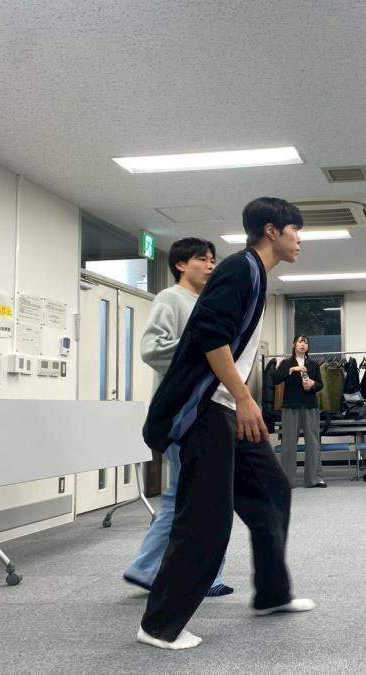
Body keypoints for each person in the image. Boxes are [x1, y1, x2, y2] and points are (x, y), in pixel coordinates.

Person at [137, 197, 314, 650]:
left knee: (272, 491)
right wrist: (243, 397)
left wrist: (242, 403)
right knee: (206, 518)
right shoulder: (239, 269)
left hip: (227, 408)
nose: (300, 239)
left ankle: (272, 594)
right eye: (295, 230)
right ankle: (159, 626)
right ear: (272, 230)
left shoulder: (255, 274)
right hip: (206, 410)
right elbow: (210, 336)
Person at [123, 238, 236, 597]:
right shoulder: (170, 298)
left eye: (213, 260)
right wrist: (205, 350)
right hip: (183, 412)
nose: (210, 265)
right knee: (199, 496)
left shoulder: (206, 303)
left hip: (208, 410)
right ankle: (194, 574)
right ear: (181, 265)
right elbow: (152, 349)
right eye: (202, 259)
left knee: (186, 495)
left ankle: (148, 568)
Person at [273, 335, 325, 488]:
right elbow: (275, 379)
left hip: (310, 406)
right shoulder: (286, 363)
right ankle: (287, 481)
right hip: (291, 407)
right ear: (294, 344)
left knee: (313, 443)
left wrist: (312, 384)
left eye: (306, 342)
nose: (303, 344)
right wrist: (291, 370)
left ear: (308, 347)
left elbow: (320, 384)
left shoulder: (314, 365)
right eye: (300, 341)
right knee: (289, 444)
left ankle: (313, 479)